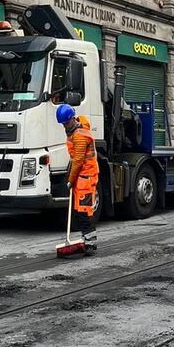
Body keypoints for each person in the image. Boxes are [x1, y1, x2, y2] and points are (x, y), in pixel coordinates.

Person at [56, 103, 99, 256]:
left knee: (84, 211)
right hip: (83, 176)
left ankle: (90, 243)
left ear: (73, 119)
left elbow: (79, 160)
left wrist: (70, 179)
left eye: (66, 122)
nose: (64, 126)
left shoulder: (80, 136)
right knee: (81, 210)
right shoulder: (76, 128)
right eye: (63, 123)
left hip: (85, 176)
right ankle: (86, 240)